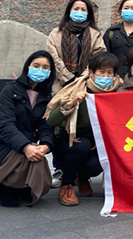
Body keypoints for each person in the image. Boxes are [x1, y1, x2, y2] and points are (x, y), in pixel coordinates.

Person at [0, 51, 55, 207]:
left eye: (45, 67)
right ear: (28, 67)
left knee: (37, 155)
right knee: (28, 153)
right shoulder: (10, 90)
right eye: (36, 66)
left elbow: (46, 126)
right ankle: (4, 186)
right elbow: (4, 124)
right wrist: (25, 146)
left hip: (27, 143)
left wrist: (46, 145)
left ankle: (20, 187)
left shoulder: (47, 96)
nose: (40, 70)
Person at [45, 51, 123, 206]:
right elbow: (51, 121)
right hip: (69, 143)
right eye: (101, 72)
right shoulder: (77, 89)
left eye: (110, 73)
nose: (106, 76)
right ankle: (66, 185)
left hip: (97, 144)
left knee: (98, 163)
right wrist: (70, 104)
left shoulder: (116, 93)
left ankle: (82, 176)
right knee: (82, 145)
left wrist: (100, 141)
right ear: (91, 73)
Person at [47, 0, 106, 94]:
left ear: (88, 13)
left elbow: (98, 57)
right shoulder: (56, 33)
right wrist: (70, 78)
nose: (79, 12)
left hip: (86, 85)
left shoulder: (95, 35)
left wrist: (82, 78)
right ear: (69, 11)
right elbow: (53, 57)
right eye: (76, 9)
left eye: (83, 10)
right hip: (60, 84)